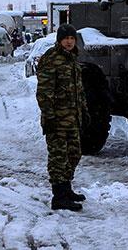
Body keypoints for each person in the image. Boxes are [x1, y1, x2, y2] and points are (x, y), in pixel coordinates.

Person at [36, 24, 87, 211]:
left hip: (72, 118)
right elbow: (44, 92)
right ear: (59, 40)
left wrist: (84, 111)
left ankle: (66, 189)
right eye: (66, 38)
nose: (69, 42)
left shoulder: (72, 59)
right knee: (59, 157)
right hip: (56, 120)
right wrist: (49, 117)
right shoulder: (51, 59)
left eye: (72, 39)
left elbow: (78, 90)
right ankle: (59, 197)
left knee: (73, 154)